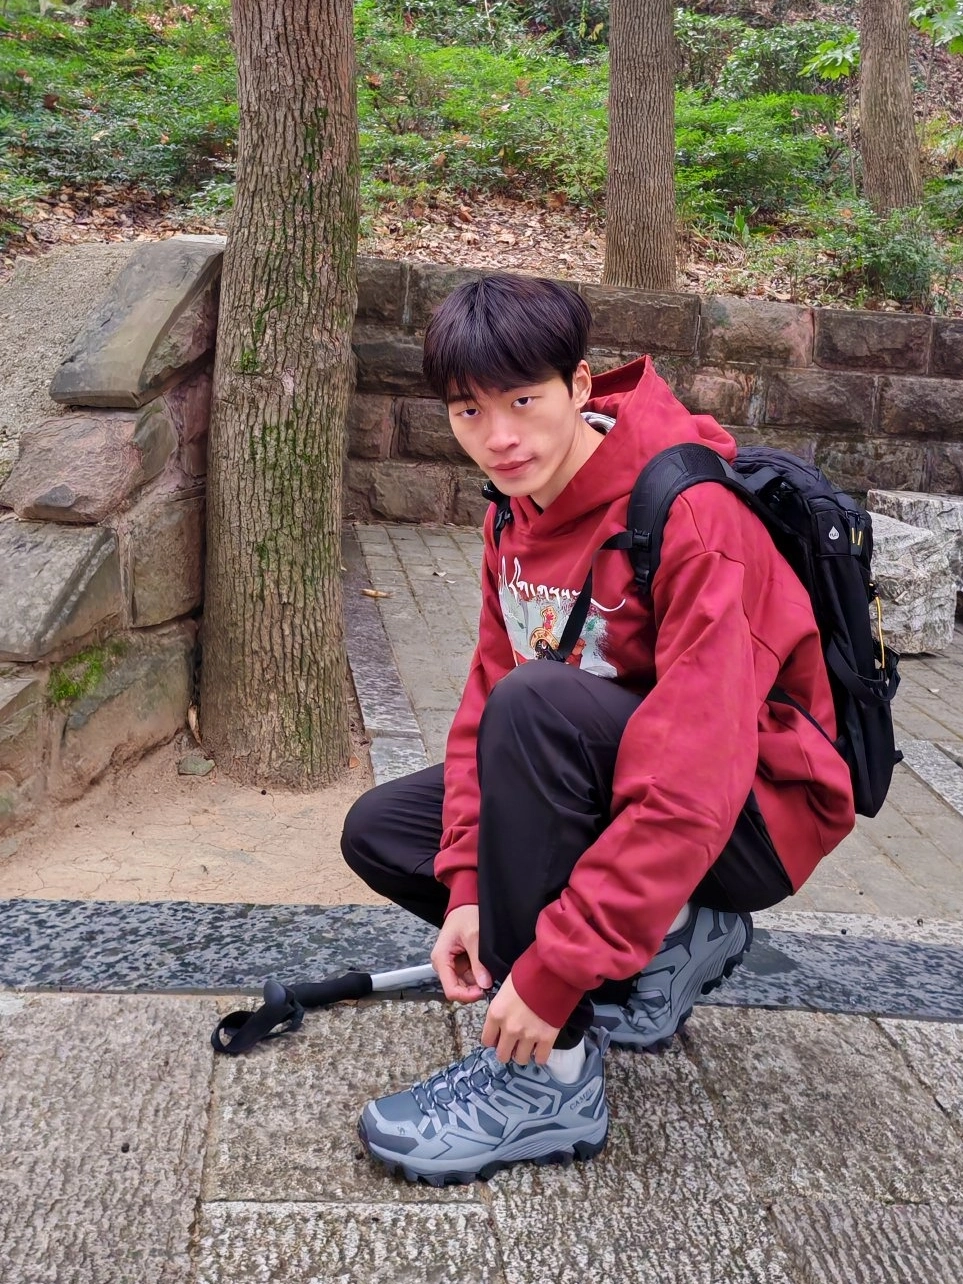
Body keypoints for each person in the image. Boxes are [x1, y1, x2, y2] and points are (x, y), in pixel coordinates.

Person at [341, 273, 855, 1186]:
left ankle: (550, 1082)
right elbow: (480, 700)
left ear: (579, 386)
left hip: (750, 814)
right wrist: (467, 886)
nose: (498, 437)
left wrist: (549, 977)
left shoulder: (689, 515)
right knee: (385, 830)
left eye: (523, 401)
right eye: (468, 412)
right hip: (621, 782)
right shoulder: (513, 509)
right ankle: (669, 936)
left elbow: (690, 777)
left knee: (538, 706)